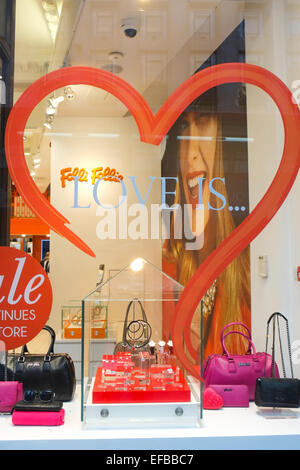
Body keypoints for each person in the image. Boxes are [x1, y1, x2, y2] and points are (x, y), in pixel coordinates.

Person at [161, 85, 251, 363]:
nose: (189, 155)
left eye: (203, 121)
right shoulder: (169, 263)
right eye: (183, 128)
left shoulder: (245, 278)